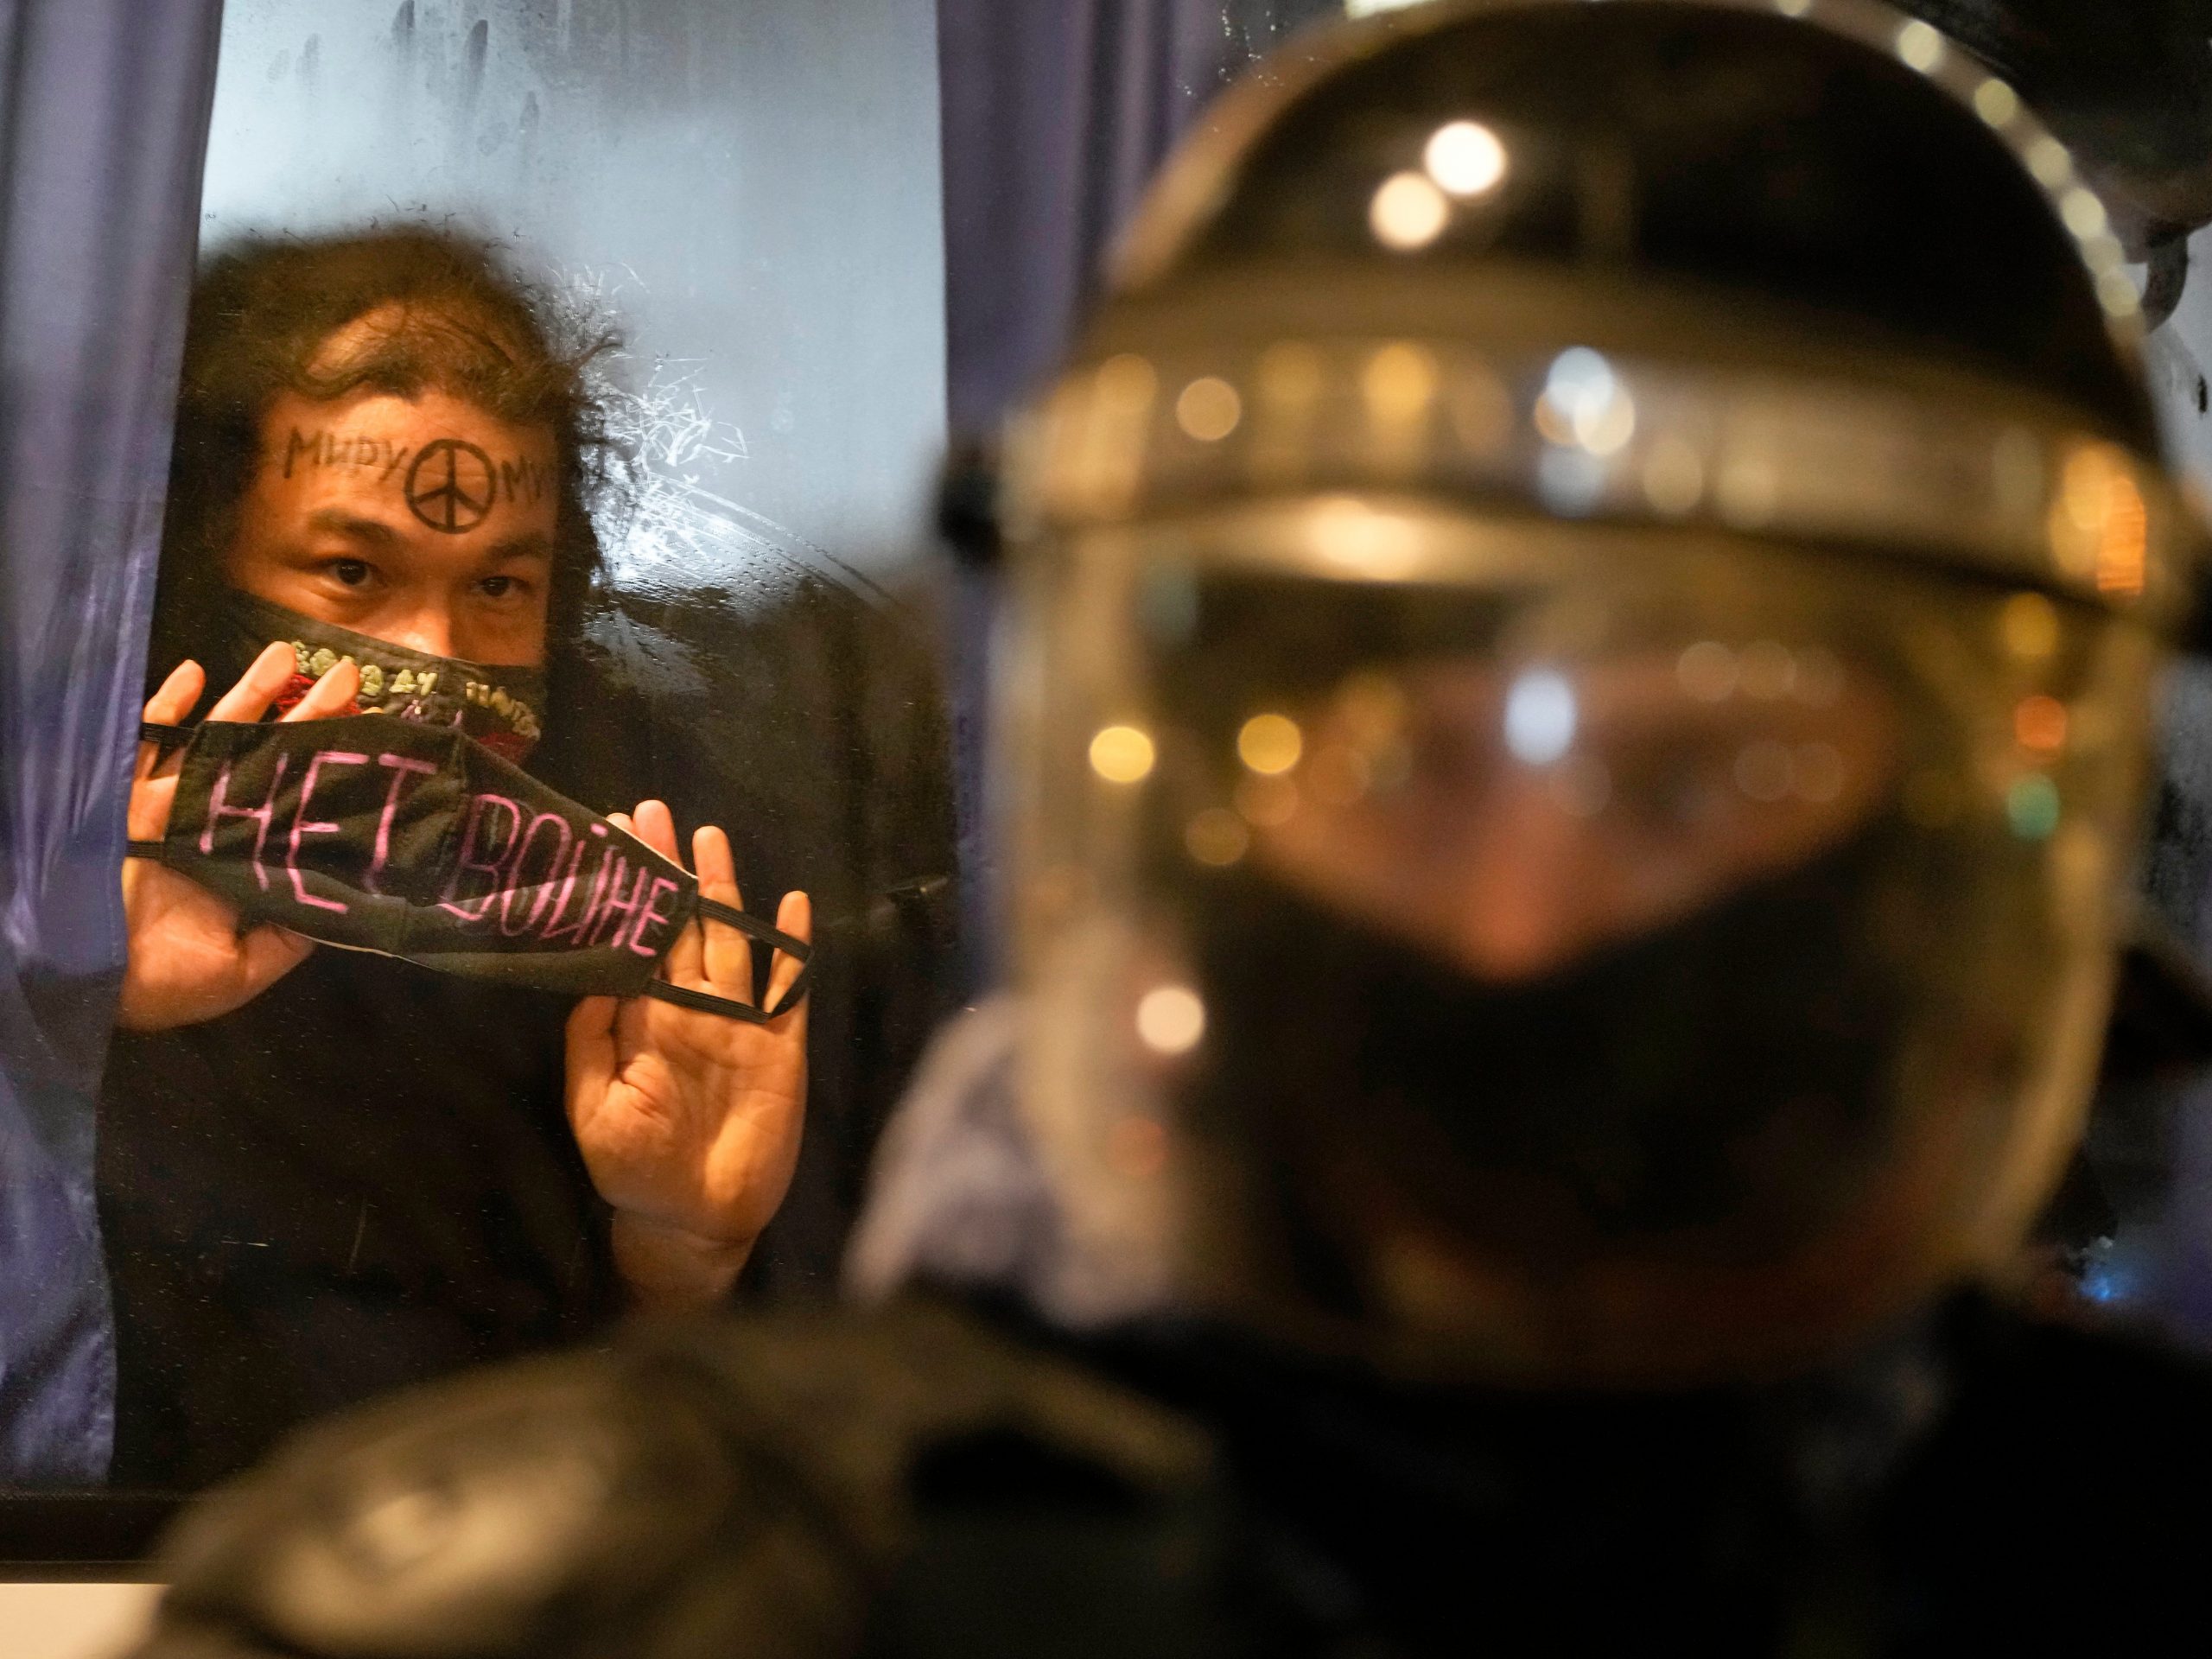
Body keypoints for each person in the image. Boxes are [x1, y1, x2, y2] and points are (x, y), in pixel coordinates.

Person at [120, 2, 2212, 1651]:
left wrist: (689, 1249)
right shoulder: (670, 1580)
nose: (1513, 924)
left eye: (1706, 773)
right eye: (1389, 759)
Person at [96, 230, 919, 1490]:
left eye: (497, 587)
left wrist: (681, 1257)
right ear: (203, 566)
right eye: (353, 571)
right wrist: (84, 1014)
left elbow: (633, 1503)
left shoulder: (616, 932)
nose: (433, 663)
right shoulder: (54, 877)